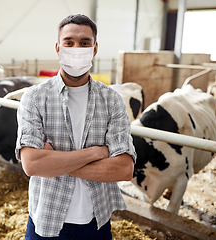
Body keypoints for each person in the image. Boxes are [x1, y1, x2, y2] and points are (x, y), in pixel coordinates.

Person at [15, 14, 136, 239]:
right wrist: (96, 153)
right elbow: (32, 165)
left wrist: (54, 162)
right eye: (69, 42)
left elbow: (124, 169)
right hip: (46, 220)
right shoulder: (34, 98)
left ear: (95, 48)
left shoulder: (112, 100)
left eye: (84, 43)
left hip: (95, 222)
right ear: (58, 48)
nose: (76, 48)